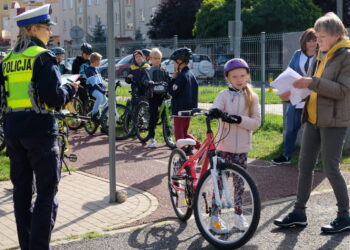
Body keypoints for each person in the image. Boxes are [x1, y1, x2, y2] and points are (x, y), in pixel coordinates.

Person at [0, 4, 79, 249]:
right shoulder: (42, 57)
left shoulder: (8, 60)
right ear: (33, 29)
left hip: (14, 131)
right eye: (46, 28)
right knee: (46, 192)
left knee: (21, 193)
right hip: (40, 132)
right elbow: (54, 98)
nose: (49, 33)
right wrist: (70, 88)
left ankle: (27, 244)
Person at [274, 12, 350, 234]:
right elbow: (309, 89)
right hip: (313, 117)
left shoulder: (346, 56)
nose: (318, 40)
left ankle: (345, 215)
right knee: (304, 165)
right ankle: (299, 213)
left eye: (322, 36)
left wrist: (312, 81)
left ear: (337, 34)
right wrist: (289, 94)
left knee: (330, 168)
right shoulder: (320, 55)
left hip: (334, 120)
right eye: (316, 35)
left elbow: (343, 91)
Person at [208, 58, 261, 233]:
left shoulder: (252, 97)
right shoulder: (224, 95)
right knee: (220, 184)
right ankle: (215, 217)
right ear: (227, 78)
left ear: (248, 76)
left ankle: (239, 216)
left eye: (242, 75)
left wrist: (238, 120)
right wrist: (215, 112)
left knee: (240, 185)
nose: (239, 79)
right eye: (235, 76)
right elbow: (216, 108)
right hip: (224, 147)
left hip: (242, 150)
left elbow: (256, 122)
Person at [272, 28, 317, 164]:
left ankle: (312, 159)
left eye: (315, 40)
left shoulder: (321, 55)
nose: (312, 43)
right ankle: (286, 156)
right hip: (296, 97)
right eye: (309, 40)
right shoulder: (297, 54)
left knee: (313, 131)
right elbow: (289, 71)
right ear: (304, 42)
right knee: (291, 127)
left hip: (313, 98)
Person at [168, 47, 200, 152]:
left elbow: (171, 91)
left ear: (179, 61)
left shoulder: (181, 76)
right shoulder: (191, 74)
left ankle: (182, 157)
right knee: (185, 134)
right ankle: (201, 149)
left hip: (179, 111)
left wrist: (173, 79)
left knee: (179, 137)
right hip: (189, 110)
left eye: (174, 62)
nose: (173, 65)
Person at [143, 48, 171, 148]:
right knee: (153, 116)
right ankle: (151, 138)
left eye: (159, 58)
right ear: (150, 59)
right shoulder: (148, 70)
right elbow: (144, 80)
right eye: (155, 58)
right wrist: (148, 82)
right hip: (153, 95)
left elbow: (168, 78)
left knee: (166, 116)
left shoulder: (164, 69)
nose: (158, 60)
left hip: (163, 95)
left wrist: (172, 80)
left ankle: (168, 136)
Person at [85, 52, 107, 122]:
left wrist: (105, 89)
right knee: (100, 96)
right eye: (99, 60)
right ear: (95, 61)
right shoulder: (89, 70)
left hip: (99, 89)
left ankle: (103, 119)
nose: (100, 62)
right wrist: (102, 91)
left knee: (106, 102)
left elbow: (100, 82)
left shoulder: (96, 69)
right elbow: (94, 84)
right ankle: (94, 114)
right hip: (93, 90)